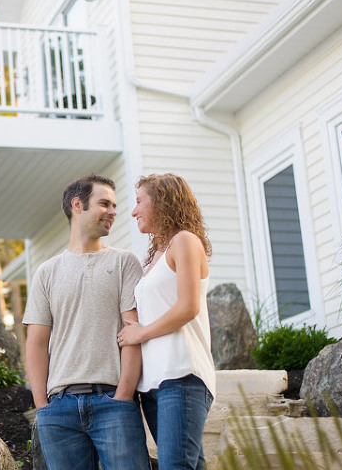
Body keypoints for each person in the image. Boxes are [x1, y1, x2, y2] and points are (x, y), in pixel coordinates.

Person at [23, 174, 150, 470]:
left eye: (115, 205)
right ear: (77, 205)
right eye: (104, 203)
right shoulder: (47, 272)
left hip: (112, 402)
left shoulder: (124, 262)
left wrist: (123, 397)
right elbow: (36, 344)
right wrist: (43, 407)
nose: (114, 212)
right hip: (59, 409)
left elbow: (132, 333)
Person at [117, 173, 216, 470]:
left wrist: (141, 333)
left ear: (162, 201)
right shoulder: (152, 260)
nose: (133, 211)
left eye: (138, 202)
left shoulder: (184, 241)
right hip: (153, 384)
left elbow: (188, 306)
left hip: (181, 375)